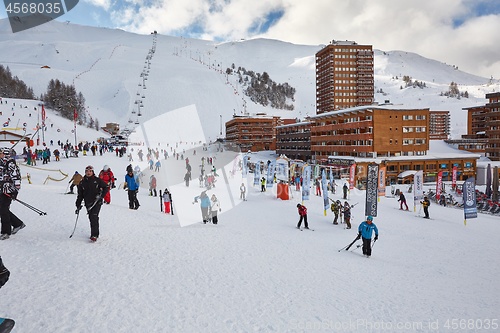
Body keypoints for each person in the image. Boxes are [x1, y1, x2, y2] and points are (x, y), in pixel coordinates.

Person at [75, 165, 109, 242]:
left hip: (97, 202)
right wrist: (78, 204)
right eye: (87, 171)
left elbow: (106, 187)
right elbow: (80, 195)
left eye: (90, 171)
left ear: (93, 172)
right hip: (88, 202)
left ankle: (94, 235)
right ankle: (93, 233)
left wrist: (101, 196)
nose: (88, 172)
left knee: (94, 216)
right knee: (91, 217)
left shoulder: (97, 180)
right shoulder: (82, 182)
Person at [0, 147, 25, 240]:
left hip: (9, 191)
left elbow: (17, 178)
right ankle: (18, 224)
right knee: (2, 210)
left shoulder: (10, 164)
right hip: (1, 190)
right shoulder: (1, 163)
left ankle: (6, 232)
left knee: (3, 210)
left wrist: (15, 192)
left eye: (1, 153)